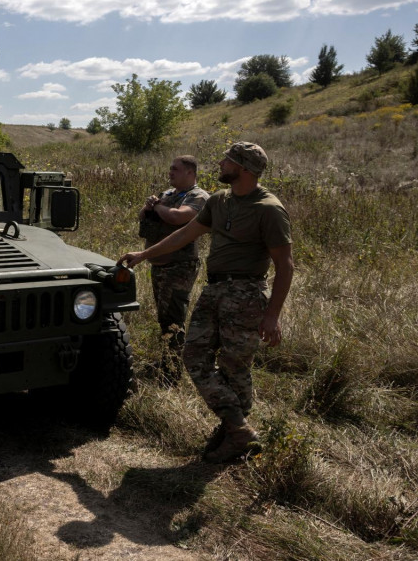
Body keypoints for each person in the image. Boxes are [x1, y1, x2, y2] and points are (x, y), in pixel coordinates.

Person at [118, 142, 293, 463]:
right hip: (214, 291)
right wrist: (144, 254)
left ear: (244, 169)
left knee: (234, 366)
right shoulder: (219, 201)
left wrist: (273, 316)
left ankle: (232, 433)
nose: (221, 163)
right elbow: (185, 234)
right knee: (193, 355)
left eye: (228, 161)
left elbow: (286, 266)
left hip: (247, 294)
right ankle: (237, 428)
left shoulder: (268, 209)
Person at [138, 156, 209, 384]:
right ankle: (166, 363)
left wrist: (157, 206)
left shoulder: (198, 196)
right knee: (164, 318)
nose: (170, 172)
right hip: (160, 266)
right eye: (170, 168)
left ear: (190, 172)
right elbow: (142, 217)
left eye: (175, 169)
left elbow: (178, 217)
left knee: (174, 320)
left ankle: (172, 372)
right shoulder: (168, 194)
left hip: (179, 266)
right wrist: (149, 206)